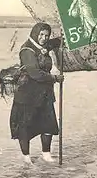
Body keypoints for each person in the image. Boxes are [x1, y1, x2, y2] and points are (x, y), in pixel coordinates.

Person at [9, 22, 64, 164]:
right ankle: (26, 158)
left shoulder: (43, 46)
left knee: (48, 124)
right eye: (41, 35)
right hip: (27, 94)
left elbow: (55, 42)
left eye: (46, 35)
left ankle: (46, 154)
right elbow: (34, 73)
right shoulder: (27, 50)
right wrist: (54, 78)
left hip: (44, 93)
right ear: (35, 34)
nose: (44, 38)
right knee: (25, 126)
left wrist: (62, 36)